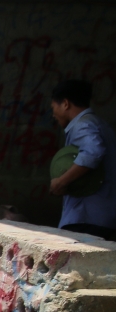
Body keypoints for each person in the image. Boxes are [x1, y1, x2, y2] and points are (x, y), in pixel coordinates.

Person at [50, 79, 116, 240]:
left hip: (86, 218)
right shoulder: (102, 125)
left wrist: (61, 181)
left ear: (65, 103)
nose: (53, 114)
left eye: (54, 107)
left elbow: (93, 152)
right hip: (104, 218)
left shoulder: (83, 125)